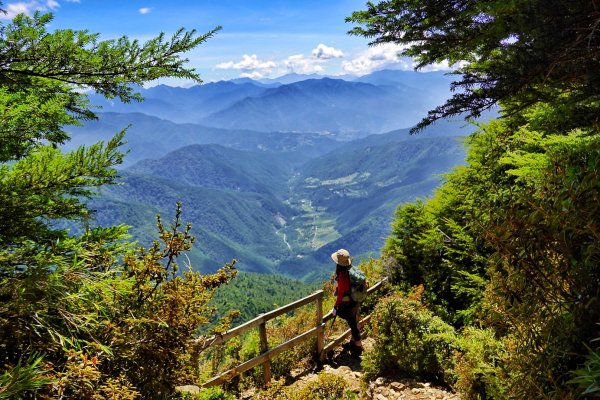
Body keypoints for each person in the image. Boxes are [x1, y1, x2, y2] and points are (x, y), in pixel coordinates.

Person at [331, 248, 363, 354]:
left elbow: (340, 295)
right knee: (353, 320)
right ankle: (354, 343)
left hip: (349, 303)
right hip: (356, 300)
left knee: (351, 322)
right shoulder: (352, 270)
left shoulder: (343, 275)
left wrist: (336, 307)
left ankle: (358, 347)